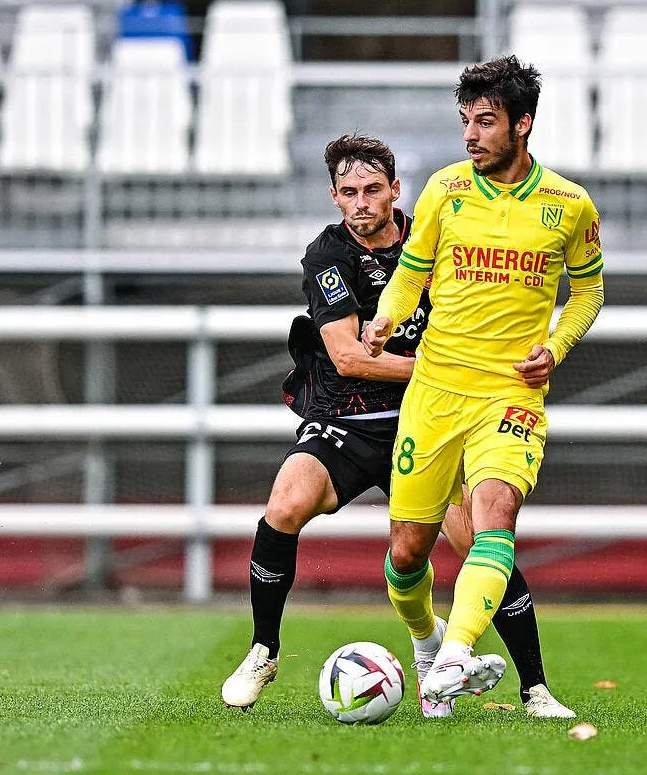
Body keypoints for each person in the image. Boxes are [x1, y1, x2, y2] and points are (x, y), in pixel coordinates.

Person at [220, 133, 574, 719]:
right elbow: (349, 357)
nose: (361, 202)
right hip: (350, 416)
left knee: (478, 538)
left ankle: (533, 687)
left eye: (372, 190)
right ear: (334, 196)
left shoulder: (434, 236)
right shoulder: (327, 255)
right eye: (349, 192)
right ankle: (263, 652)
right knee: (285, 503)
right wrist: (445, 367)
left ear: (395, 191)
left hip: (432, 417)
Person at [361, 56, 605, 710]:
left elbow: (589, 292)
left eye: (486, 122)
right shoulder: (444, 190)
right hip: (436, 392)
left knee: (496, 516)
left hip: (510, 393)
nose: (470, 134)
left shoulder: (570, 205)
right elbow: (411, 274)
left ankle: (454, 659)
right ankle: (427, 641)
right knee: (407, 553)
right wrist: (386, 318)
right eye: (466, 121)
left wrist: (555, 347)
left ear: (522, 124)